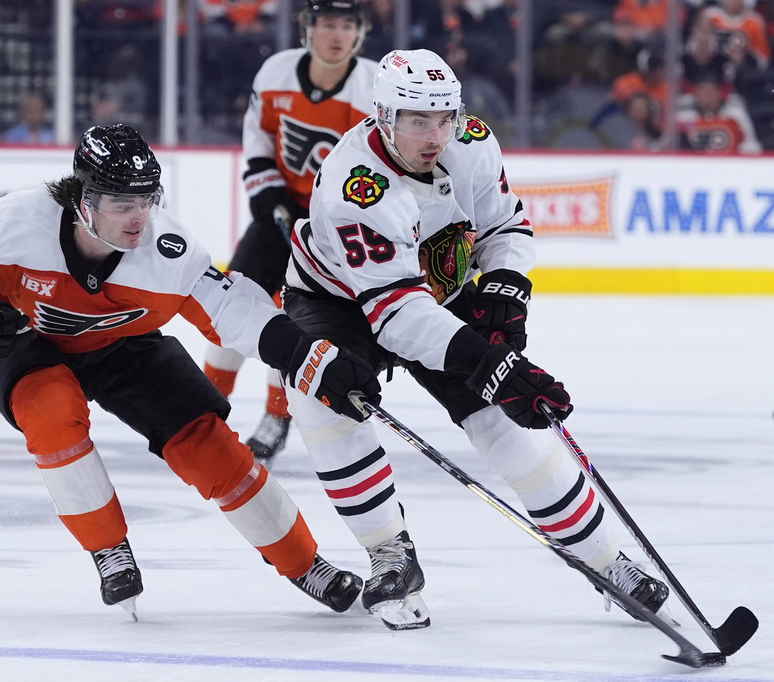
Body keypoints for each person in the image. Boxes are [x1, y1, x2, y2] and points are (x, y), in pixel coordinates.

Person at [0, 123, 381, 620]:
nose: (139, 217)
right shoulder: (14, 223)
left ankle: (305, 564)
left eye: (146, 200)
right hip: (21, 341)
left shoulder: (167, 251)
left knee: (208, 444)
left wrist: (310, 356)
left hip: (121, 344)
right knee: (51, 413)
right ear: (83, 200)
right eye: (121, 204)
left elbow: (235, 312)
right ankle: (107, 547)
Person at [281, 49, 672, 630]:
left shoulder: (472, 140)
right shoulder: (353, 186)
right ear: (384, 116)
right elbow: (396, 316)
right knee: (326, 402)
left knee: (506, 420)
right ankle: (390, 553)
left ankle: (606, 562)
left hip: (434, 289)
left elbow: (505, 226)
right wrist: (491, 360)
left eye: (445, 117)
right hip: (338, 303)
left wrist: (508, 301)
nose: (436, 134)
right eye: (418, 120)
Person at [202, 0, 378, 463]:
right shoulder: (276, 72)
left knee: (298, 325)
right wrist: (264, 184)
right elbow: (258, 132)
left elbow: (379, 169)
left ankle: (278, 416)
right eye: (326, 24)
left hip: (335, 229)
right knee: (231, 306)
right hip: (278, 211)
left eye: (347, 24)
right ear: (308, 28)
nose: (336, 35)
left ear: (360, 32)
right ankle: (200, 412)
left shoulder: (372, 90)